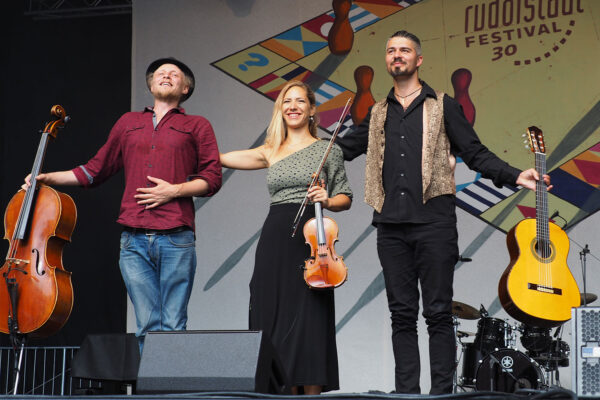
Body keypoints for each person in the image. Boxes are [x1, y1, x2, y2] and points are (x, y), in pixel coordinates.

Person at [336, 31, 551, 394]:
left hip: (434, 224)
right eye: (391, 51)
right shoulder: (377, 114)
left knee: (437, 314)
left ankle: (441, 394)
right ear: (387, 61)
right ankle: (406, 393)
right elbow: (340, 149)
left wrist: (515, 174)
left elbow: (475, 152)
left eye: (404, 50)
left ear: (418, 60)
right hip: (391, 228)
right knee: (401, 316)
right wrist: (293, 148)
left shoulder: (443, 105)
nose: (396, 56)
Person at [24, 58, 222, 350]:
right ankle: (152, 395)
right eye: (160, 73)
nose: (166, 75)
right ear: (150, 84)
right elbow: (94, 171)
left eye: (174, 73)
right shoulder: (128, 122)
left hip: (176, 237)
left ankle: (170, 392)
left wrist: (174, 191)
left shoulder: (197, 125)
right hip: (133, 240)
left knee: (173, 323)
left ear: (186, 88)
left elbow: (212, 177)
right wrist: (46, 178)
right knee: (146, 326)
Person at [220, 80, 352, 394]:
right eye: (286, 101)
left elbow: (345, 197)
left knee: (310, 317)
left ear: (312, 110)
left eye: (299, 101)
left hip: (312, 238)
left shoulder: (327, 150)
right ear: (280, 109)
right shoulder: (271, 150)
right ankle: (279, 390)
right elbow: (221, 158)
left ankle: (310, 393)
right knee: (270, 310)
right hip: (276, 234)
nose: (292, 106)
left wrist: (326, 198)